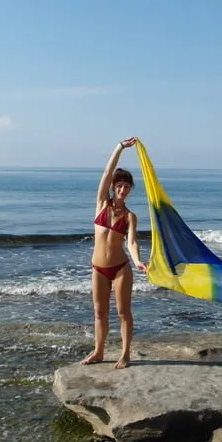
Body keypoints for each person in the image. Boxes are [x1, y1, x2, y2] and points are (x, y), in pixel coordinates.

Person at [81, 137, 147, 369]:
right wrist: (119, 147)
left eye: (126, 187)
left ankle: (125, 353)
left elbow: (131, 242)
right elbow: (107, 171)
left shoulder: (130, 216)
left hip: (120, 269)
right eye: (119, 186)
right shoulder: (101, 204)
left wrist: (137, 261)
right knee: (99, 313)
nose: (122, 190)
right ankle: (99, 352)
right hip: (98, 268)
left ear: (130, 190)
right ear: (113, 187)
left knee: (123, 312)